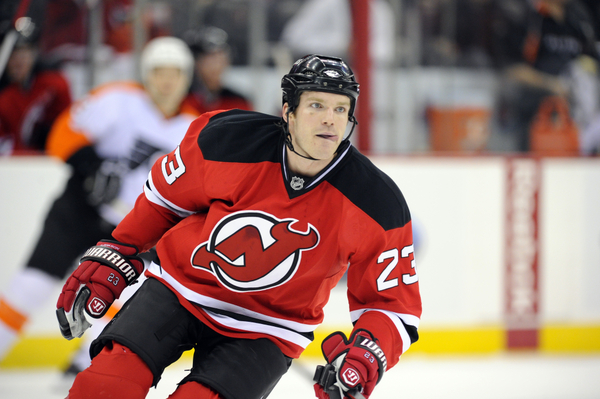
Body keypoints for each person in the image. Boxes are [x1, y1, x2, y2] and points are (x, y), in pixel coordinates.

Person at [55, 54, 422, 399]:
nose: (330, 119)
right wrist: (121, 249)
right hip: (179, 291)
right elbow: (165, 202)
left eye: (341, 109)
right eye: (317, 106)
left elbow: (391, 306)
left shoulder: (376, 202)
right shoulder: (226, 141)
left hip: (268, 328)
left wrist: (368, 352)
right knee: (104, 386)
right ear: (288, 112)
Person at [0, 36, 197, 373]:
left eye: (175, 72)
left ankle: (83, 364)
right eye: (159, 71)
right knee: (30, 287)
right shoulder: (118, 99)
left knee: (118, 297)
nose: (166, 80)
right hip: (79, 209)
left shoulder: (193, 128)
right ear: (146, 75)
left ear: (187, 77)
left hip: (132, 228)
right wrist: (94, 168)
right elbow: (62, 135)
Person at [492, 0, 599, 152]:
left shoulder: (578, 19)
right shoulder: (529, 18)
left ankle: (585, 143)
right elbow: (513, 69)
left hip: (577, 90)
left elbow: (591, 58)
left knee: (585, 80)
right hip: (538, 90)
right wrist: (552, 85)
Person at [0, 18, 72, 155]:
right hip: (19, 165)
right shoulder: (5, 99)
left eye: (23, 55)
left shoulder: (54, 85)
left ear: (34, 56)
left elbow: (69, 125)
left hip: (50, 161)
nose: (17, 62)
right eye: (13, 56)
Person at [182, 26, 253, 114]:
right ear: (197, 63)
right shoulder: (182, 101)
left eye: (222, 58)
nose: (217, 65)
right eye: (211, 58)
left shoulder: (239, 102)